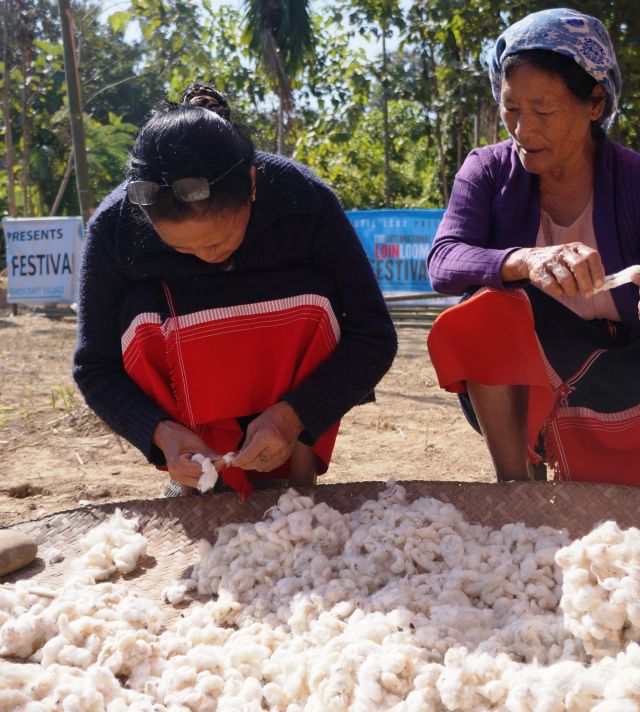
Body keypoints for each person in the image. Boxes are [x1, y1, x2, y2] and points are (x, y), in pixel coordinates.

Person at [425, 9, 640, 487]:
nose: (522, 129)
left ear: (595, 104)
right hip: (524, 377)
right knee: (485, 311)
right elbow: (444, 261)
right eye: (511, 107)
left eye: (542, 110)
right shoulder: (488, 170)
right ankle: (515, 486)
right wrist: (524, 260)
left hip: (622, 371)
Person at [73, 84, 397, 498]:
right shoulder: (114, 226)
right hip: (185, 402)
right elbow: (94, 366)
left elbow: (374, 335)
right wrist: (160, 433)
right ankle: (193, 471)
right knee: (139, 314)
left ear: (251, 185)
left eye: (215, 242)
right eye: (180, 249)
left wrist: (294, 416)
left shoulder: (305, 201)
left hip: (288, 391)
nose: (203, 259)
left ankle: (295, 475)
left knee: (314, 299)